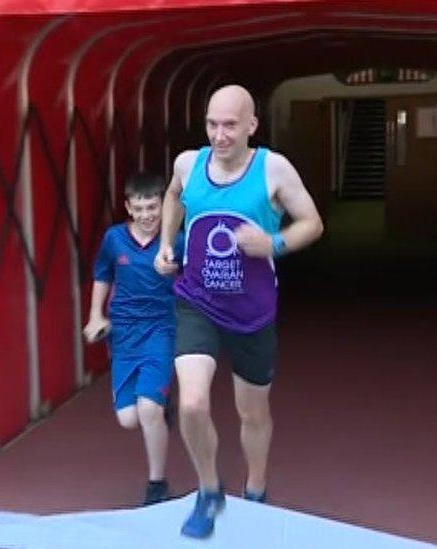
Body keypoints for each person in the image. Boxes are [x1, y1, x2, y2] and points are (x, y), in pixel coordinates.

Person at [154, 85, 323, 539]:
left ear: (252, 125)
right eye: (212, 124)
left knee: (252, 412)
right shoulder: (189, 164)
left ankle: (257, 490)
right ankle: (210, 492)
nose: (219, 134)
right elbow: (173, 195)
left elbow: (312, 222)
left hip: (252, 311)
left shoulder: (274, 169)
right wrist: (168, 243)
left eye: (230, 125)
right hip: (197, 302)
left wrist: (273, 243)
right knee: (190, 402)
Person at [83, 172, 183, 506]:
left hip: (161, 329)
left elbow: (197, 283)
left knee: (147, 409)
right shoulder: (114, 239)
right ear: (128, 207)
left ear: (163, 206)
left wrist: (177, 273)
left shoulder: (175, 241)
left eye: (153, 207)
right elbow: (101, 274)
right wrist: (96, 315)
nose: (146, 215)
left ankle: (157, 485)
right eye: (139, 208)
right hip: (124, 333)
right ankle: (160, 406)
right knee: (129, 419)